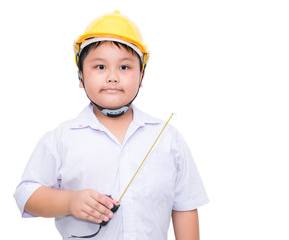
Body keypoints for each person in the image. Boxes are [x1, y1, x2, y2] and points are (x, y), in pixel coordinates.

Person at [14, 10, 208, 240]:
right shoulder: (61, 138)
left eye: (124, 67)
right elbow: (27, 194)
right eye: (100, 67)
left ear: (142, 76)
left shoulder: (167, 138)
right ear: (80, 76)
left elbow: (185, 206)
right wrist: (69, 201)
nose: (113, 77)